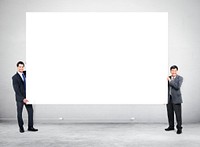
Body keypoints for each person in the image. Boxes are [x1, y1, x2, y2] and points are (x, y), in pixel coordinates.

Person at [12, 61, 38, 133]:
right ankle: (21, 127)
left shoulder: (26, 73)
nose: (21, 68)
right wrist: (23, 98)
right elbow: (16, 90)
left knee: (30, 111)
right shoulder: (15, 77)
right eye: (19, 67)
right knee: (19, 113)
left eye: (22, 66)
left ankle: (30, 127)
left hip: (28, 97)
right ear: (17, 67)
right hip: (20, 98)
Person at [165, 65, 183, 134]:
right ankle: (171, 126)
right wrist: (163, 99)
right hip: (169, 99)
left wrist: (170, 80)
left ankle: (179, 128)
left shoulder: (180, 78)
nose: (173, 72)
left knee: (178, 114)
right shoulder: (167, 78)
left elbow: (177, 86)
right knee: (170, 113)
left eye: (175, 70)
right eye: (172, 70)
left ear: (177, 71)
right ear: (170, 71)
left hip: (177, 99)